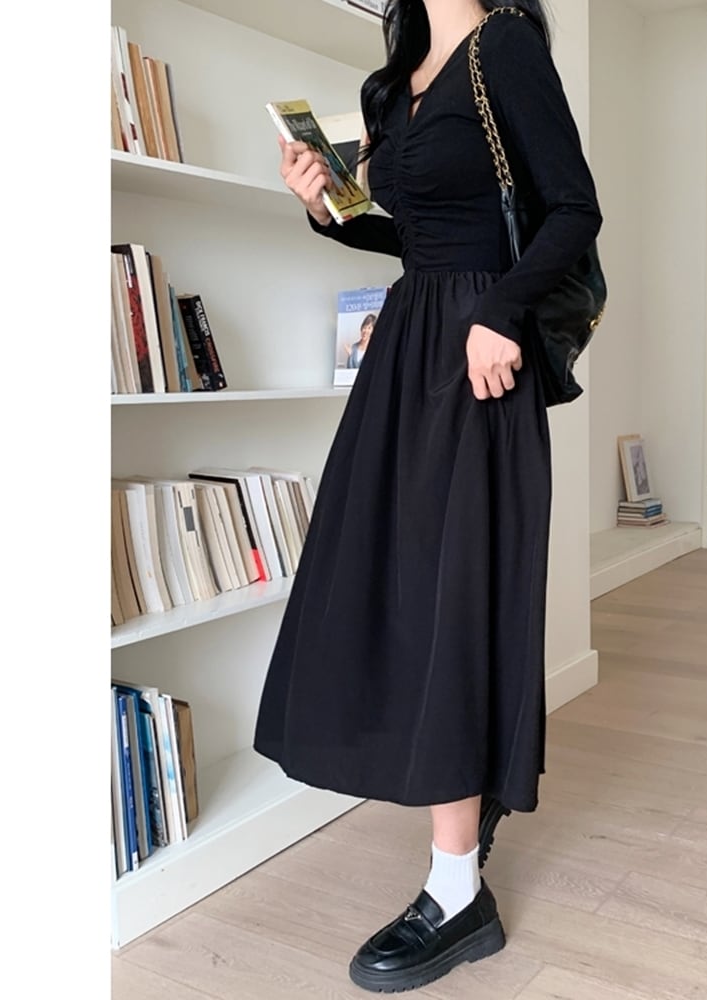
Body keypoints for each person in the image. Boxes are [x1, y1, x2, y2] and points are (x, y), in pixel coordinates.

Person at [252, 0, 602, 992]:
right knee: (394, 591)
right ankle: (463, 813)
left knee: (453, 600)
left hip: (481, 361)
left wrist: (500, 314)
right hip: (408, 352)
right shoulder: (389, 83)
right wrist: (323, 206)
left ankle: (457, 894)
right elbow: (408, 235)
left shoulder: (506, 46)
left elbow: (573, 209)